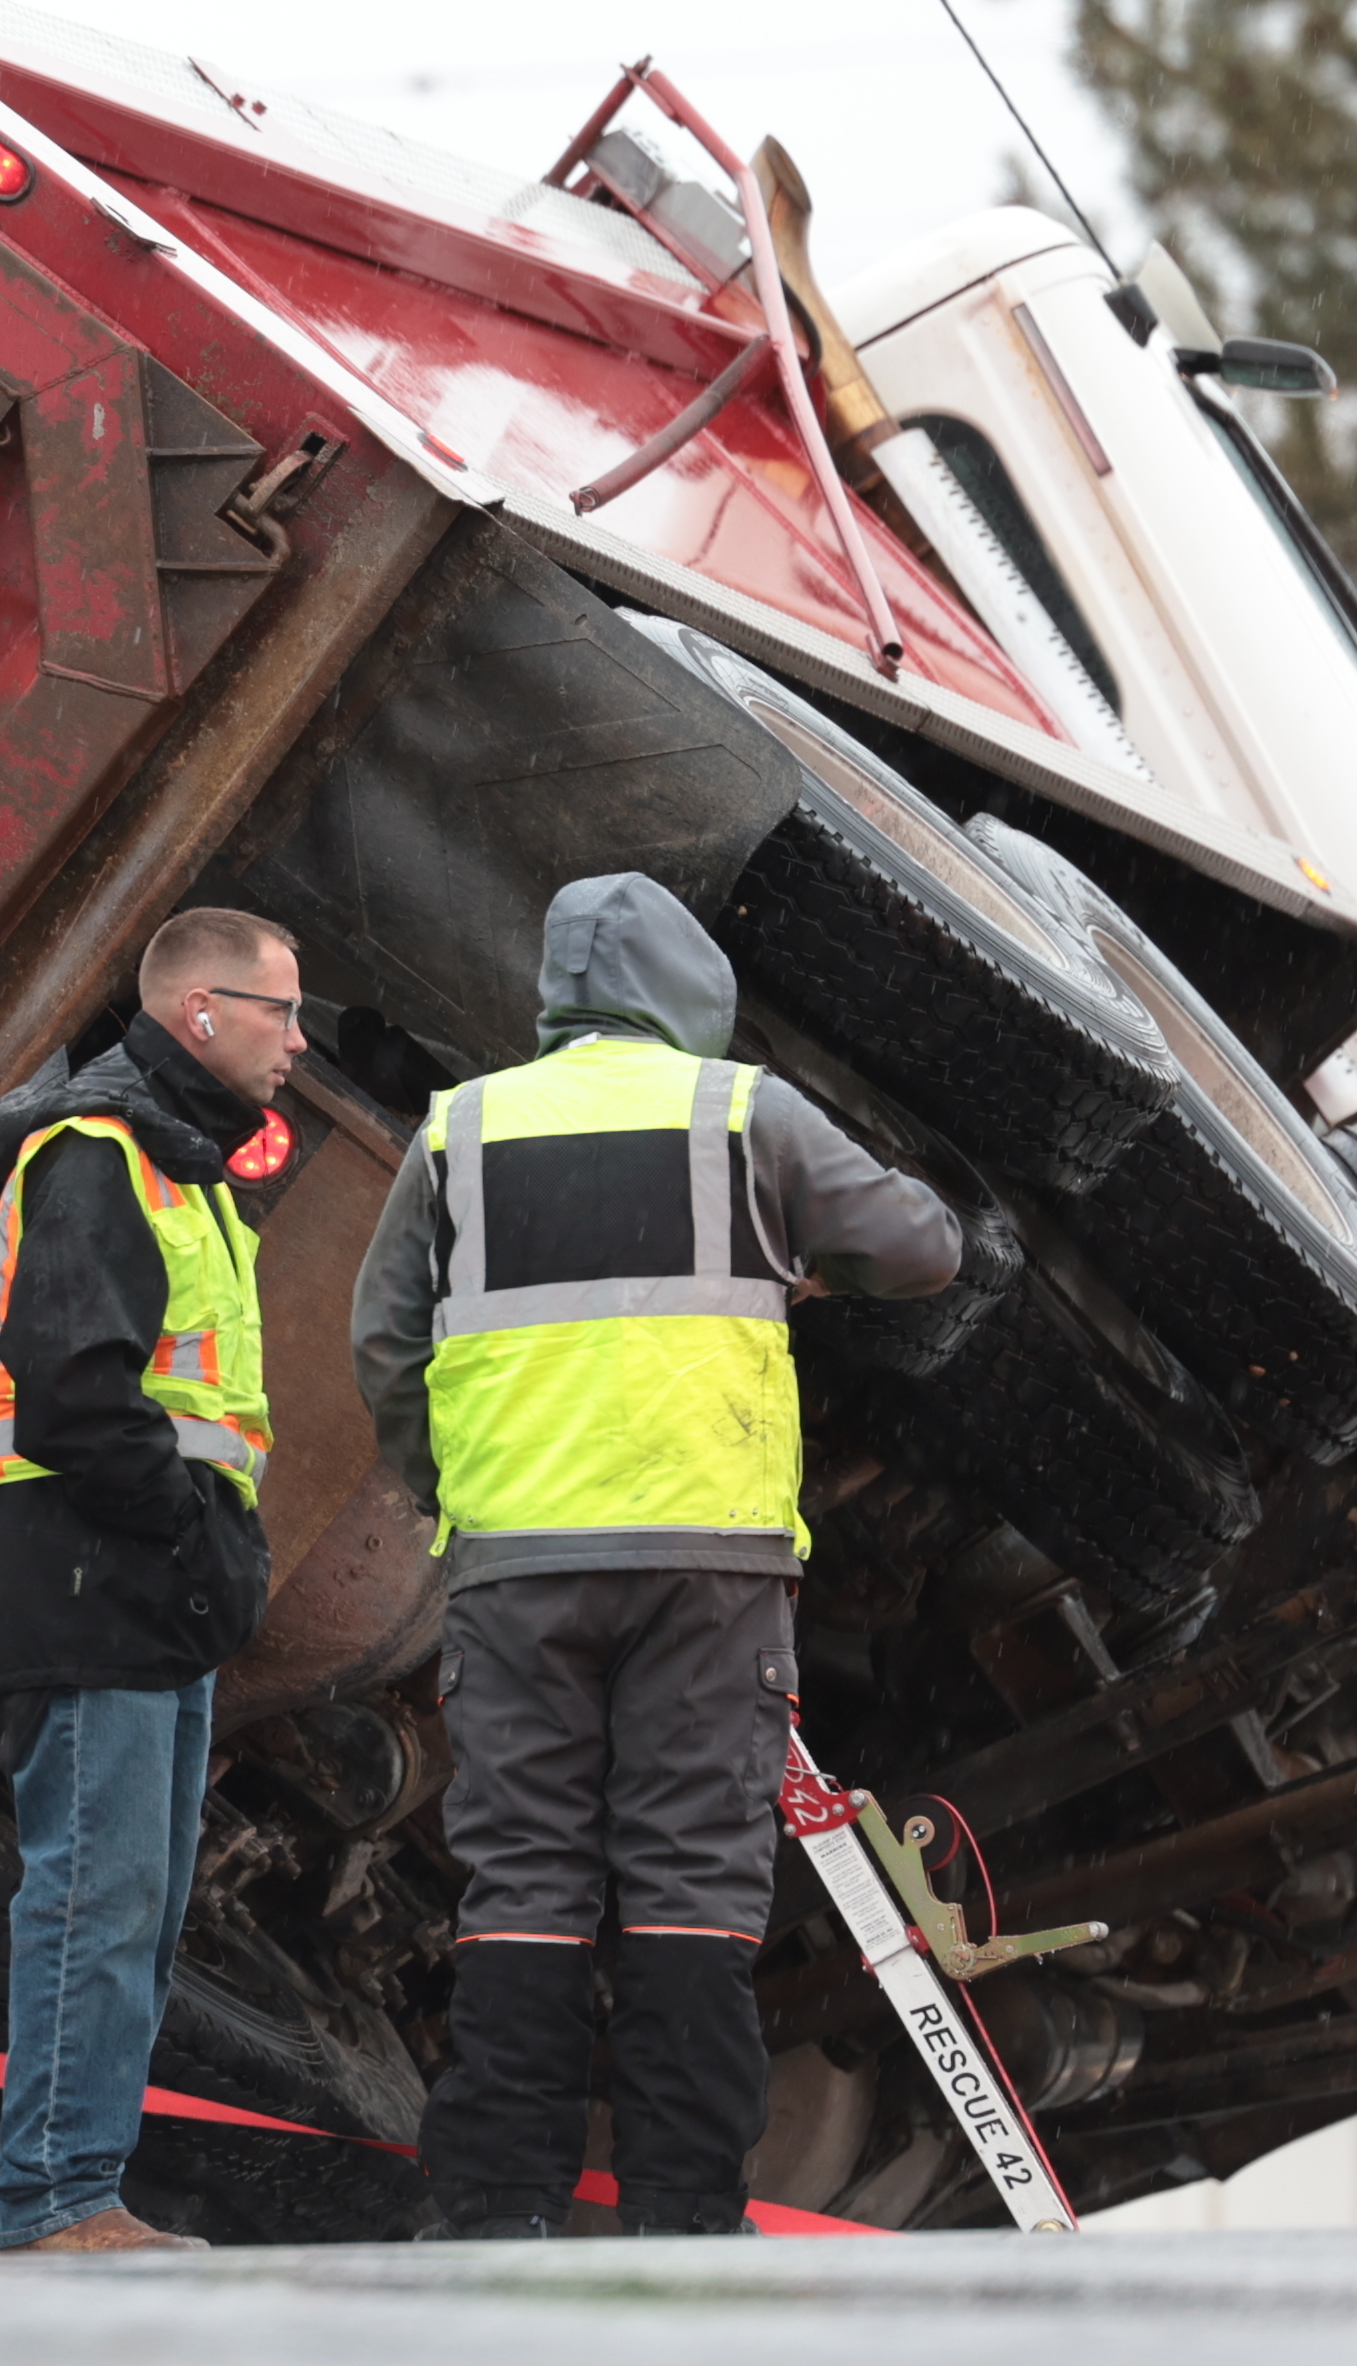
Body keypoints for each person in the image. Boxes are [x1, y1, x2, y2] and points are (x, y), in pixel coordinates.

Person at [357, 874, 958, 2238]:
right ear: (692, 994)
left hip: (519, 1567)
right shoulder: (743, 1111)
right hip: (708, 1569)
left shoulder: (461, 1129)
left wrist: (461, 1483)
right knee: (691, 1881)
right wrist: (808, 1266)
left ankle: (491, 2208)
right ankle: (685, 2217)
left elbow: (384, 1342)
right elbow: (923, 1246)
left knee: (526, 1881)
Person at [0, 904, 304, 2254]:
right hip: (95, 1579)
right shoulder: (101, 1156)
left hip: (138, 1589)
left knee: (134, 1911)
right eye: (279, 1012)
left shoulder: (181, 1165)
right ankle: (53, 2206)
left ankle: (80, 2192)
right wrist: (186, 1526)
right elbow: (72, 1398)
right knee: (95, 1903)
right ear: (200, 1014)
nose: (295, 1040)